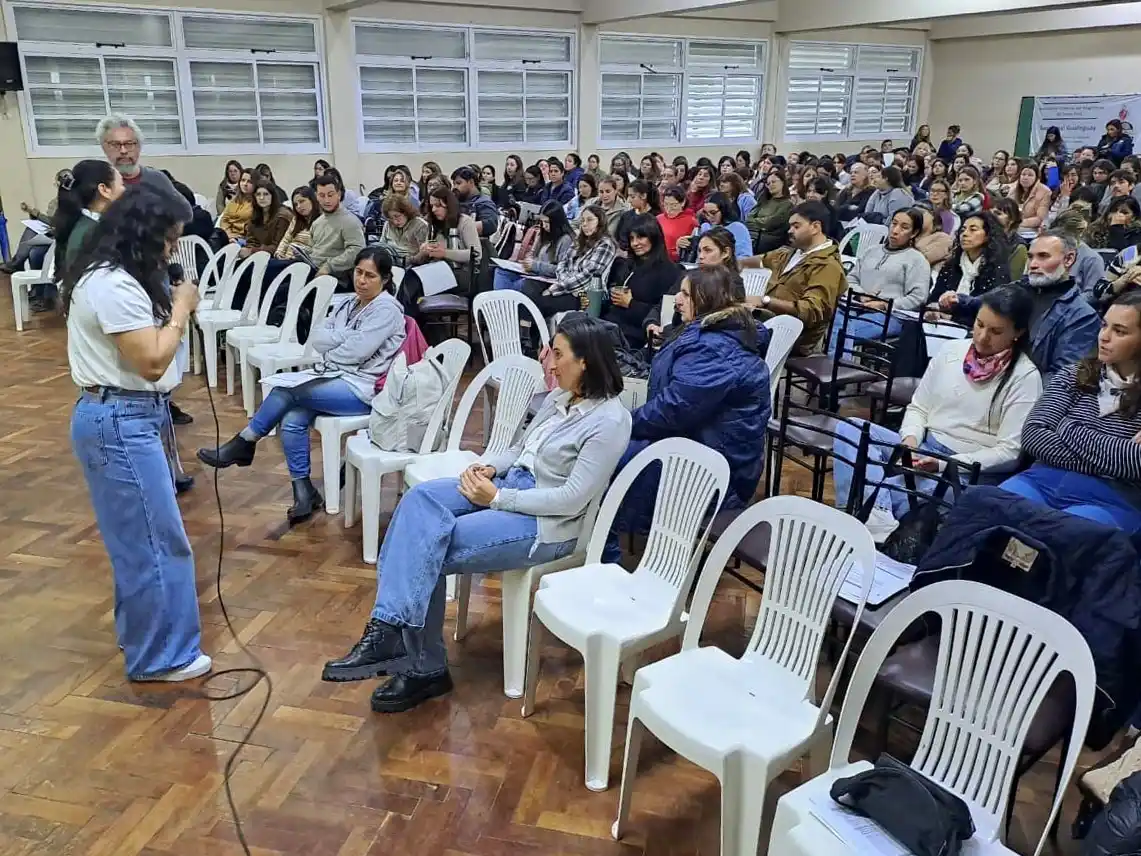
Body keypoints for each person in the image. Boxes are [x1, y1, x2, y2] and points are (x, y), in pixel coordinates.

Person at [321, 315, 631, 710]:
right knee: (418, 503)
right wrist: (489, 466)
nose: (549, 363)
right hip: (510, 487)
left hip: (547, 522)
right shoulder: (562, 398)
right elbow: (521, 450)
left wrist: (497, 497)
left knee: (426, 546)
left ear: (585, 360)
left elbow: (571, 499)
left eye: (557, 354)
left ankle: (421, 665)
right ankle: (390, 631)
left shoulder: (610, 421)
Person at [63, 184, 210, 682]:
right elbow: (150, 360)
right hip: (122, 421)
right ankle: (161, 657)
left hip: (128, 418)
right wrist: (182, 306)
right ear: (143, 235)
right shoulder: (112, 285)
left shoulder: (116, 276)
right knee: (155, 542)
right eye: (168, 240)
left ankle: (150, 644)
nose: (171, 251)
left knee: (141, 541)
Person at [198, 247, 406, 523]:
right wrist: (345, 338)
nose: (362, 280)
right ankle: (304, 491)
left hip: (365, 388)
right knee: (292, 418)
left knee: (285, 392)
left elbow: (356, 352)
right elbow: (317, 337)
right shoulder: (348, 303)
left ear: (385, 280)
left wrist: (337, 343)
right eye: (358, 272)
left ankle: (245, 441)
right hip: (335, 376)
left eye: (370, 276)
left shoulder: (387, 309)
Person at [833, 286, 1042, 530]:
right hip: (924, 447)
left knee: (891, 488)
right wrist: (909, 440)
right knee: (851, 431)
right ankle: (879, 515)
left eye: (996, 331)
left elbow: (1009, 453)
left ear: (1018, 333)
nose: (983, 336)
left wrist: (943, 463)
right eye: (979, 324)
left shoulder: (1024, 377)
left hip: (966, 469)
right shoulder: (952, 351)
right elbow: (919, 407)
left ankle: (872, 514)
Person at [603, 265, 770, 561]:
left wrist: (625, 423)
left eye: (684, 294)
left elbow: (675, 408)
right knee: (610, 448)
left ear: (708, 300)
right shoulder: (716, 333)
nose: (677, 300)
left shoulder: (715, 349)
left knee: (611, 455)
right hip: (702, 443)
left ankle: (606, 552)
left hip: (716, 466)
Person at [1000, 292, 1141, 532]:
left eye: (1120, 331)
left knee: (1061, 533)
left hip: (1111, 498)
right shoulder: (1072, 374)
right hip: (1042, 480)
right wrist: (1113, 458)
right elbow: (1033, 437)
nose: (1104, 337)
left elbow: (1136, 464)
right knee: (988, 512)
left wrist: (1066, 428)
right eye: (1104, 325)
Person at [742, 201, 848, 355]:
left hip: (791, 335)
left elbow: (811, 310)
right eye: (790, 226)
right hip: (764, 322)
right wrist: (728, 263)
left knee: (724, 336)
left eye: (796, 226)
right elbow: (759, 261)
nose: (790, 231)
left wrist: (766, 301)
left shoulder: (827, 265)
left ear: (815, 227)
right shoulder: (789, 253)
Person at [831, 208, 931, 354]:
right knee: (831, 319)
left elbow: (918, 298)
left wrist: (884, 304)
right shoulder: (872, 251)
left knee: (842, 331)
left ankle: (836, 370)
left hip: (890, 315)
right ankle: (838, 369)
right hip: (857, 307)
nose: (895, 230)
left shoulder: (917, 260)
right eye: (894, 224)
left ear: (914, 233)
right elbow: (851, 279)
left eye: (904, 227)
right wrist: (862, 295)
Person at [522, 205, 617, 320]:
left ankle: (527, 335)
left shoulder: (605, 244)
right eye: (582, 220)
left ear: (600, 222)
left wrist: (555, 289)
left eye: (590, 220)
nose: (585, 224)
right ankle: (526, 334)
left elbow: (588, 276)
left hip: (585, 295)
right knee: (529, 295)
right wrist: (561, 284)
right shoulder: (579, 240)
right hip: (566, 286)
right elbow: (563, 264)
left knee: (538, 305)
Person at [603, 216, 681, 348]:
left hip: (636, 333)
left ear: (653, 237)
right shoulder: (627, 265)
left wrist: (631, 304)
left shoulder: (669, 271)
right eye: (632, 239)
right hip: (612, 323)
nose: (635, 243)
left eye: (640, 237)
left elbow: (663, 314)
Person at [928, 212, 1011, 326]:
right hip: (941, 326)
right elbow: (933, 299)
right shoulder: (951, 265)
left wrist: (953, 318)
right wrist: (933, 311)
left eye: (973, 230)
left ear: (988, 236)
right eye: (963, 230)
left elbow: (990, 312)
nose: (965, 234)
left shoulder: (997, 270)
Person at [52, 160, 125, 277]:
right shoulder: (96, 234)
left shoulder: (80, 224)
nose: (125, 190)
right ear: (104, 190)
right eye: (122, 184)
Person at [493, 201, 573, 292]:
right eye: (542, 221)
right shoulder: (543, 234)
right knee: (501, 271)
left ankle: (504, 301)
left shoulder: (566, 240)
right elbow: (533, 254)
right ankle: (504, 301)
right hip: (534, 273)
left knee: (518, 286)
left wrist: (535, 265)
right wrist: (528, 261)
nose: (544, 225)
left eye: (547, 222)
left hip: (547, 280)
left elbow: (562, 270)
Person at [1046, 207, 1105, 300]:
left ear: (1079, 233)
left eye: (1064, 235)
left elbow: (1092, 295)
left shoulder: (1092, 259)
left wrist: (1064, 303)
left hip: (1072, 309)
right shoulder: (1046, 251)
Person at [676, 192, 751, 260]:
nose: (709, 217)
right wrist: (682, 245)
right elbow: (695, 254)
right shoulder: (704, 227)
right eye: (705, 213)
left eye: (713, 213)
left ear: (724, 210)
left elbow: (745, 256)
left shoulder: (738, 228)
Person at [745, 170, 793, 254]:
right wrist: (760, 222)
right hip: (756, 239)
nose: (770, 185)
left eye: (773, 182)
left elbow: (770, 222)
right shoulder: (764, 200)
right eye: (768, 183)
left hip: (772, 244)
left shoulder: (787, 204)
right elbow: (749, 218)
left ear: (782, 182)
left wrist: (756, 222)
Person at [243, 179, 293, 258]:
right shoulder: (256, 215)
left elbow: (279, 247)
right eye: (258, 194)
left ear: (272, 196)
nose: (262, 198)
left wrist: (252, 251)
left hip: (279, 257)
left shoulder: (283, 216)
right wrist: (248, 250)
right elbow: (251, 241)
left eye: (266, 194)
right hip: (259, 255)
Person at [378, 195, 429, 264]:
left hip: (410, 264)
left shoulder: (421, 226)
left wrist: (408, 261)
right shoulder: (388, 224)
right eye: (391, 218)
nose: (395, 222)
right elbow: (382, 245)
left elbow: (424, 255)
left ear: (406, 212)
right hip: (389, 261)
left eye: (397, 216)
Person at [450, 166, 498, 237]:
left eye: (458, 183)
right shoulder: (455, 201)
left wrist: (460, 229)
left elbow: (490, 225)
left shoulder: (484, 202)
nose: (455, 187)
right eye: (454, 184)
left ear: (471, 182)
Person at [275, 186, 319, 261]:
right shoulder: (296, 220)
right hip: (285, 259)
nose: (299, 206)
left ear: (312, 200)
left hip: (302, 262)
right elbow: (286, 240)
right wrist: (278, 254)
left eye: (302, 201)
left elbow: (317, 250)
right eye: (295, 204)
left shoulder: (321, 221)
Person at [657, 185, 698, 263]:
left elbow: (692, 251)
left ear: (683, 202)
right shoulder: (658, 218)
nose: (669, 209)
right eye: (666, 204)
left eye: (673, 205)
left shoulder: (691, 222)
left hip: (676, 262)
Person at [990, 197, 1029, 281]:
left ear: (1012, 219)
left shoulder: (1019, 248)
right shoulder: (985, 238)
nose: (991, 217)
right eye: (991, 213)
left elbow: (1012, 282)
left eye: (998, 213)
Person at [615, 179, 658, 251]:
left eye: (632, 196)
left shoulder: (656, 217)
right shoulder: (626, 216)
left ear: (644, 195)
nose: (628, 200)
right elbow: (617, 239)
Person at [1012, 163, 1052, 234]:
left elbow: (1040, 219)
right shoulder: (1015, 188)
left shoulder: (1045, 192)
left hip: (1031, 230)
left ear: (1037, 178)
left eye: (1030, 175)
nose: (1025, 177)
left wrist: (1016, 223)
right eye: (1023, 174)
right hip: (1014, 225)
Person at [219, 168, 255, 241]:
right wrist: (228, 233)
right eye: (243, 180)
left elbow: (251, 226)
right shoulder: (235, 200)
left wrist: (235, 235)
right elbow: (224, 219)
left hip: (244, 238)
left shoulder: (256, 203)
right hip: (228, 235)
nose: (245, 184)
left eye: (249, 182)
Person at [914, 205, 953, 270]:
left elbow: (921, 261)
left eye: (921, 212)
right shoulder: (910, 237)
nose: (917, 216)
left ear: (932, 215)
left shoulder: (942, 238)